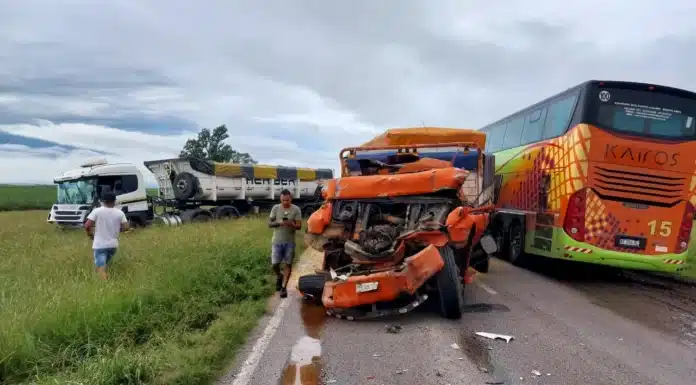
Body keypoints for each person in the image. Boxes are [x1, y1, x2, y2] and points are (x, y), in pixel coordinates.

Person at [84, 191, 130, 280]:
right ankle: (103, 281)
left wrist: (90, 234)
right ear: (114, 201)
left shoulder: (97, 211)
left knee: (100, 269)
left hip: (100, 246)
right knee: (103, 266)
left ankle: (104, 288)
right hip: (113, 246)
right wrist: (117, 229)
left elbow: (87, 225)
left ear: (102, 201)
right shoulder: (120, 213)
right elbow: (126, 227)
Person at [268, 189, 302, 298]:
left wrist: (291, 224)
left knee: (288, 264)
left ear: (291, 198)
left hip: (289, 242)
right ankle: (279, 275)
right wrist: (279, 223)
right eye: (283, 200)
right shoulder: (276, 208)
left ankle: (284, 287)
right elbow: (269, 223)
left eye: (287, 200)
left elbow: (299, 226)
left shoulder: (296, 209)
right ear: (280, 199)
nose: (285, 202)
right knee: (274, 264)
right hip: (277, 241)